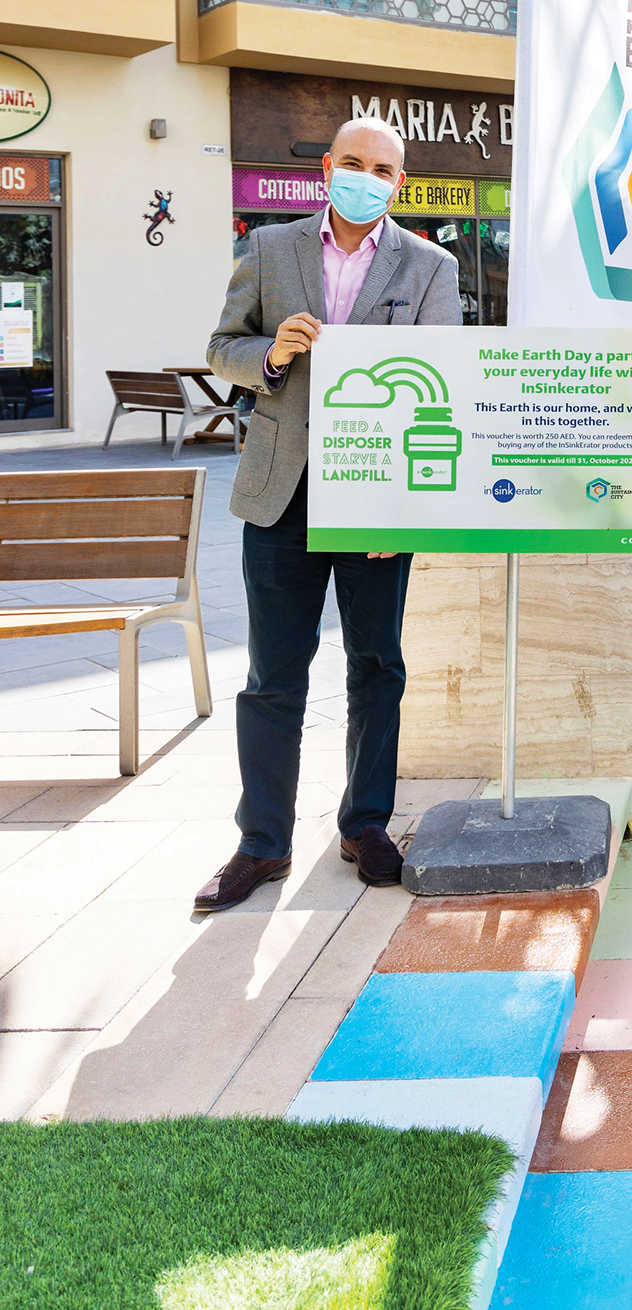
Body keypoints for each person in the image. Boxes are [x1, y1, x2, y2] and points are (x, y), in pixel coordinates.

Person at [193, 118, 462, 914]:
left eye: (381, 168)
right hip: (282, 490)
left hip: (375, 500)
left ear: (399, 183)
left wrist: (405, 511)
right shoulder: (270, 249)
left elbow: (441, 382)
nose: (365, 177)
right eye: (352, 162)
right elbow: (222, 346)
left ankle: (366, 824)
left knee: (376, 664)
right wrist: (272, 353)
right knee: (273, 673)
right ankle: (261, 843)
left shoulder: (431, 265)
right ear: (326, 167)